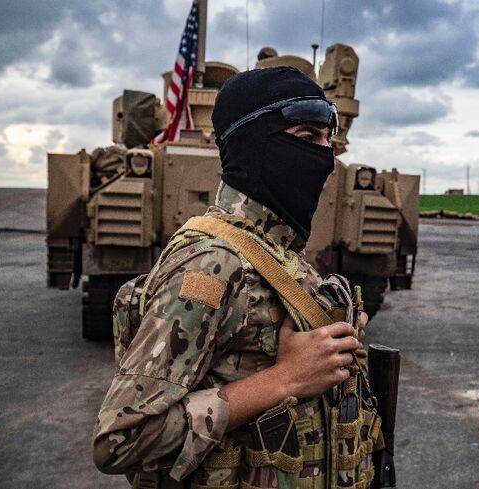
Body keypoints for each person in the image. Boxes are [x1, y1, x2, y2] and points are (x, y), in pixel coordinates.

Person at [93, 67, 376, 488]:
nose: (325, 158)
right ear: (253, 144)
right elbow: (120, 440)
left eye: (326, 140)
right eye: (306, 138)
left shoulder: (282, 256)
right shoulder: (209, 265)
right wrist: (284, 379)